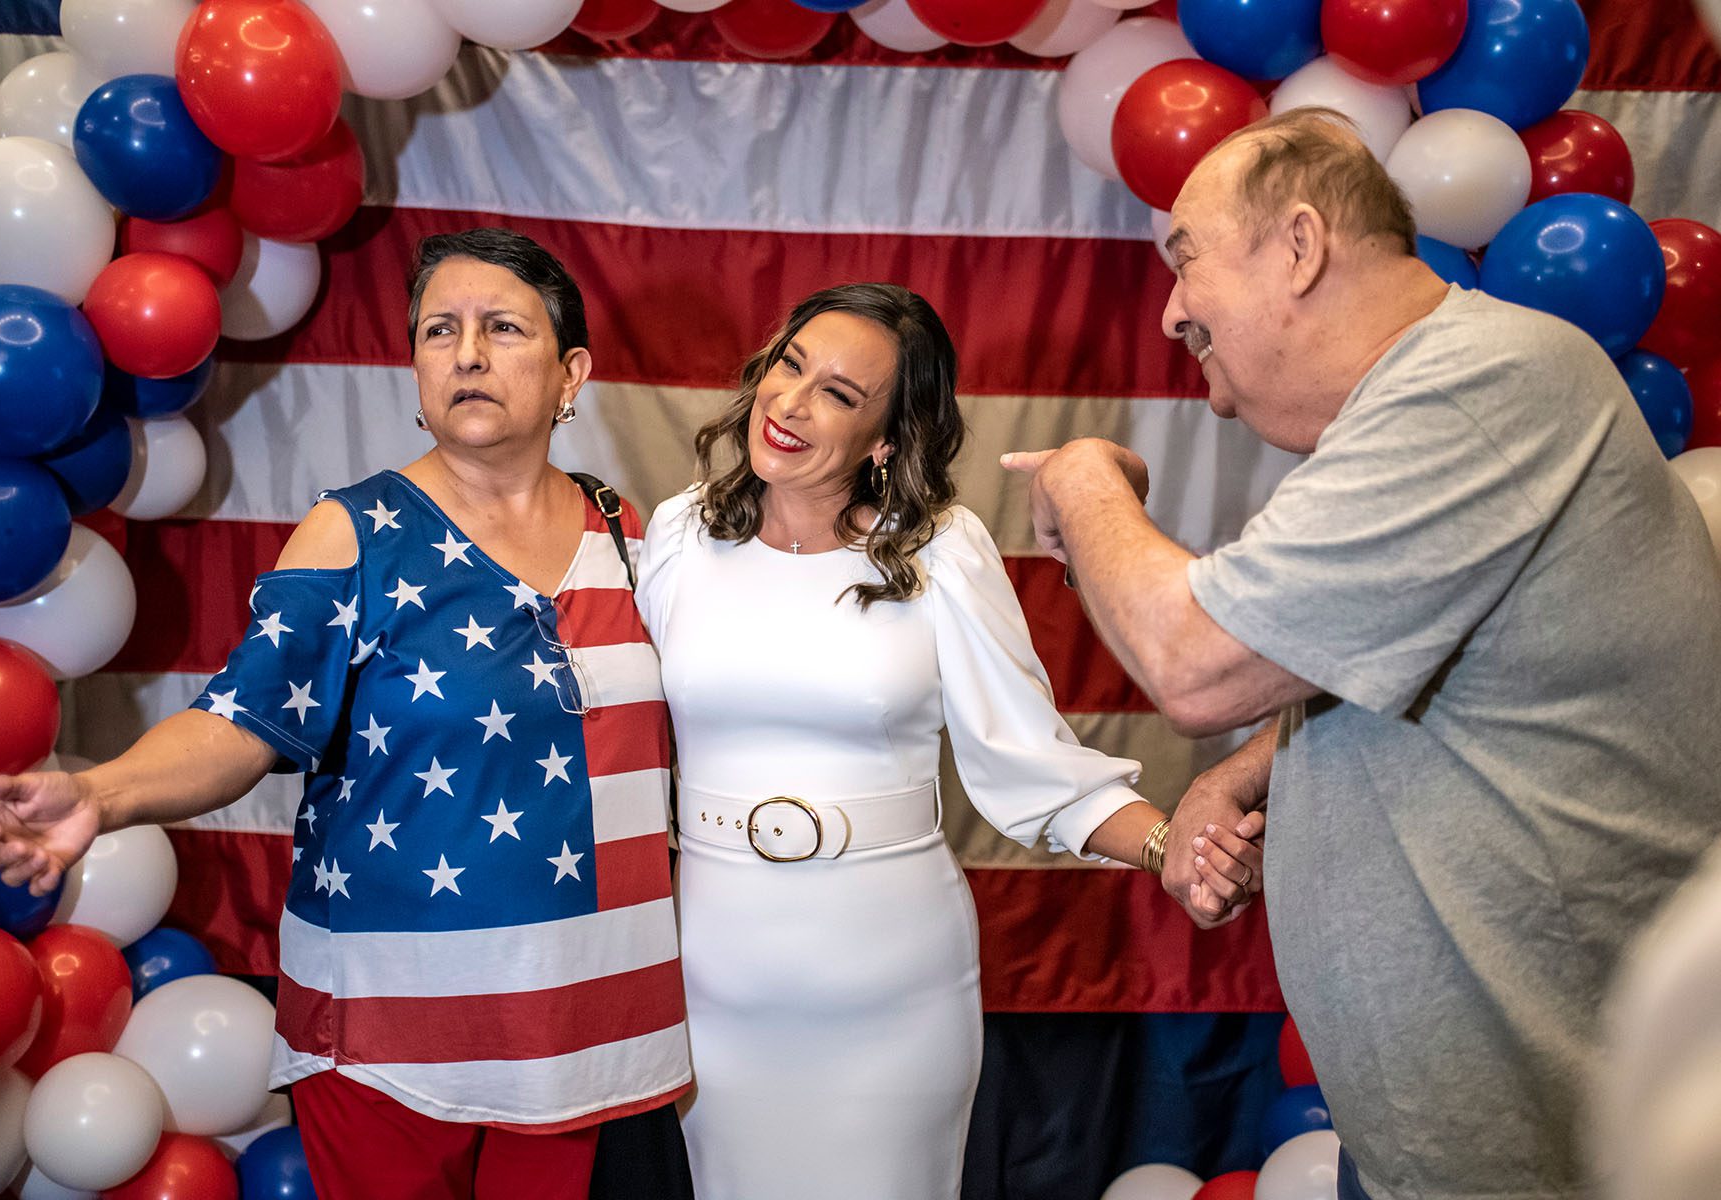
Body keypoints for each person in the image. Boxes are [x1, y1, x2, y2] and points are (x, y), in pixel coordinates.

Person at [1004, 108, 1721, 1200]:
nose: (1169, 312)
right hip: (1434, 1143)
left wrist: (1084, 480)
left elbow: (1196, 666)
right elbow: (1424, 673)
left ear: (1298, 247)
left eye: (1185, 261)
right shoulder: (1425, 400)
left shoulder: (1482, 383)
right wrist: (1246, 779)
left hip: (1549, 1152)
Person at [0, 228, 689, 1200]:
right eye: (440, 330)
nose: (466, 353)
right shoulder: (355, 531)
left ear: (571, 374)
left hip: (583, 1022)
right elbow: (243, 718)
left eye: (502, 327)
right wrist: (104, 791)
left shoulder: (626, 529)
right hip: (392, 1024)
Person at [635, 281, 1264, 1200]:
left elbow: (1033, 765)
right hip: (712, 974)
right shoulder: (679, 534)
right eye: (790, 365)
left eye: (841, 396)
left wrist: (1174, 848)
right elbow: (623, 742)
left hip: (890, 981)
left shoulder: (941, 548)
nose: (792, 403)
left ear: (886, 439)